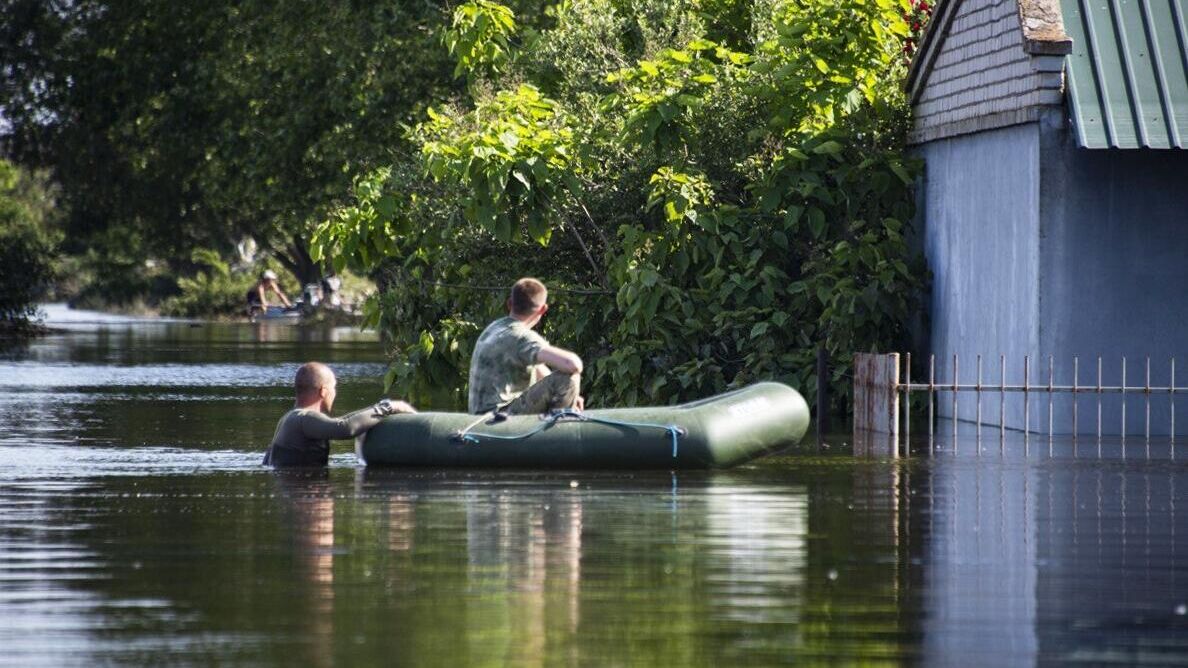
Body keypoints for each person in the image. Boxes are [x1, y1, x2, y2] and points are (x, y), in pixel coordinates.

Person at [468, 277, 585, 415]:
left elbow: (537, 368)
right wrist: (569, 390)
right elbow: (572, 364)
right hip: (500, 417)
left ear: (509, 303)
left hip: (479, 415)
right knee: (569, 378)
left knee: (558, 379)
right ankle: (558, 432)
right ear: (543, 309)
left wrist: (572, 395)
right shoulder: (522, 337)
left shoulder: (494, 328)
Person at [263, 362, 415, 466]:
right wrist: (389, 407)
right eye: (334, 387)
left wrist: (375, 409)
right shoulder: (304, 418)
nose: (335, 393)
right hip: (304, 495)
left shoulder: (289, 418)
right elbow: (345, 427)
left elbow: (342, 420)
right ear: (323, 391)